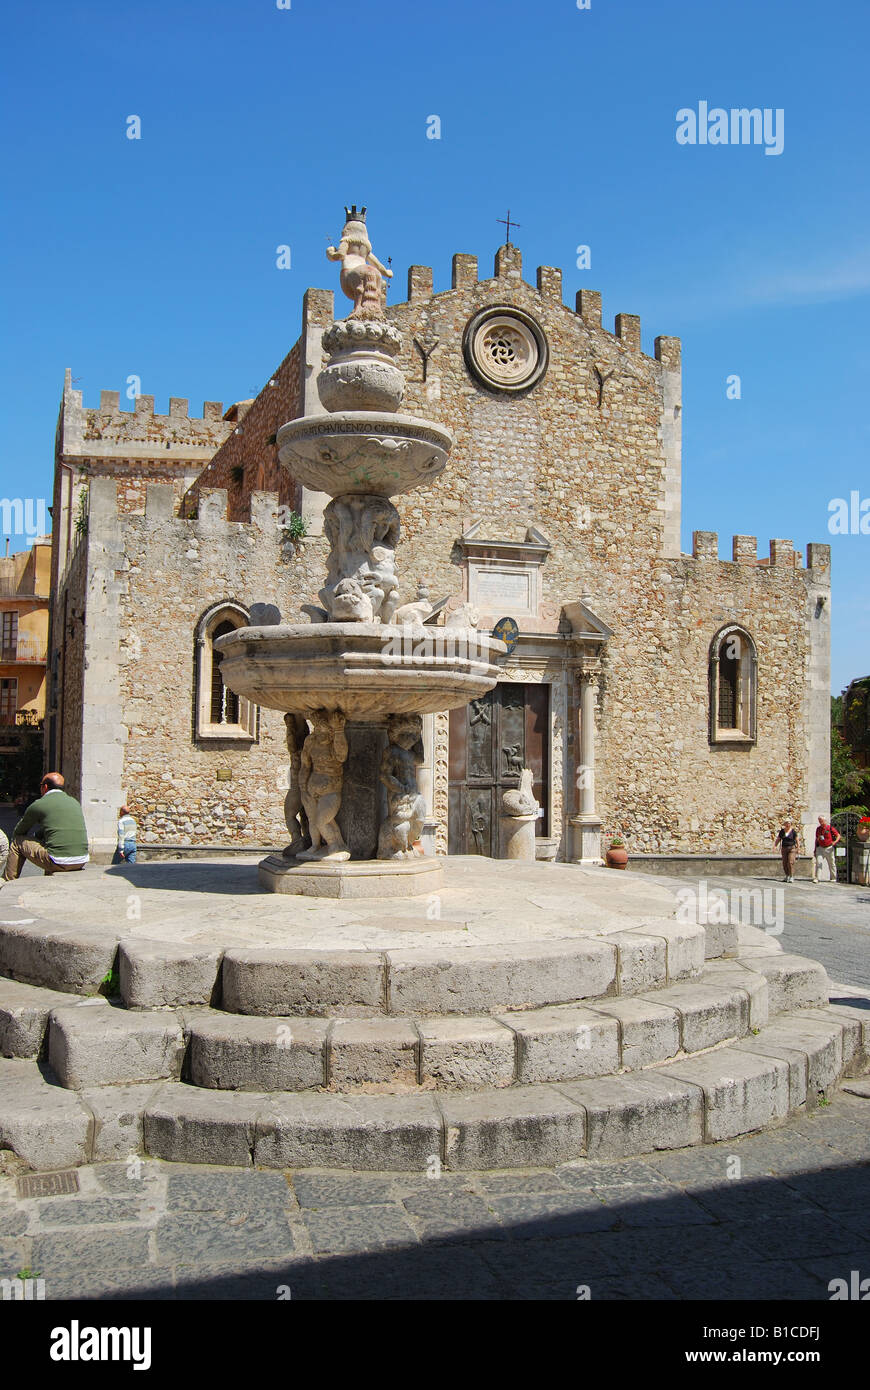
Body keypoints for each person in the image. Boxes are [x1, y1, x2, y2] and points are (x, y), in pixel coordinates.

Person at [1, 772, 89, 884]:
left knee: (17, 842)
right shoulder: (74, 802)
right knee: (50, 843)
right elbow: (54, 828)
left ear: (45, 787)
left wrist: (33, 838)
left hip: (59, 862)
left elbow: (19, 831)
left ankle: (7, 882)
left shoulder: (40, 804)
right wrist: (38, 836)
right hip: (81, 860)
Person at [812, 815, 840, 884]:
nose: (820, 822)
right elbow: (817, 839)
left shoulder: (829, 828)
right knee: (818, 862)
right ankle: (817, 878)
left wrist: (835, 842)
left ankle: (833, 878)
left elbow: (838, 836)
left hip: (829, 848)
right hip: (820, 848)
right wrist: (815, 849)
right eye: (819, 821)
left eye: (821, 820)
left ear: (824, 821)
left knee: (831, 863)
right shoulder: (818, 829)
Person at [774, 818, 799, 882]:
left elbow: (797, 839)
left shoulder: (793, 831)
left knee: (790, 862)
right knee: (785, 862)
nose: (788, 824)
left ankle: (791, 876)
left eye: (789, 823)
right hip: (784, 848)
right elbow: (778, 839)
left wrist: (798, 847)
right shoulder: (782, 831)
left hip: (792, 848)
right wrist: (775, 846)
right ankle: (787, 875)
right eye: (787, 823)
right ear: (785, 824)